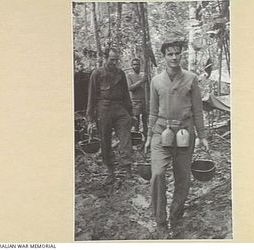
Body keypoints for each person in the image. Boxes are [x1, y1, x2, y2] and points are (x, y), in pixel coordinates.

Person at [144, 39, 209, 238]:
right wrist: (148, 136)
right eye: (169, 54)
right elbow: (153, 111)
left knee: (183, 177)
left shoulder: (191, 78)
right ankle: (160, 218)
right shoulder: (156, 81)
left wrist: (203, 136)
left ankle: (176, 214)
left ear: (181, 55)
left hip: (185, 133)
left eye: (177, 53)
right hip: (160, 132)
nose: (174, 57)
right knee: (157, 174)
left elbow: (198, 109)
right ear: (163, 57)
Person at [86, 47, 134, 184]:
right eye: (112, 59)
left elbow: (126, 94)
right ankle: (110, 171)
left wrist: (131, 114)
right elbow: (91, 97)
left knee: (125, 138)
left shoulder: (121, 74)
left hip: (120, 108)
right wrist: (90, 119)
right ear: (105, 58)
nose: (114, 62)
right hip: (104, 109)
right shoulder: (97, 74)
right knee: (105, 141)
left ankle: (128, 168)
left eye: (116, 60)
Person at [126, 58, 148, 138]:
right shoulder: (129, 75)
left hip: (144, 101)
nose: (136, 66)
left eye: (138, 64)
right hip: (135, 102)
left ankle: (146, 138)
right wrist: (141, 81)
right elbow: (130, 88)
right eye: (134, 64)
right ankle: (136, 139)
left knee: (146, 122)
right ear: (132, 66)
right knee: (136, 122)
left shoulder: (144, 75)